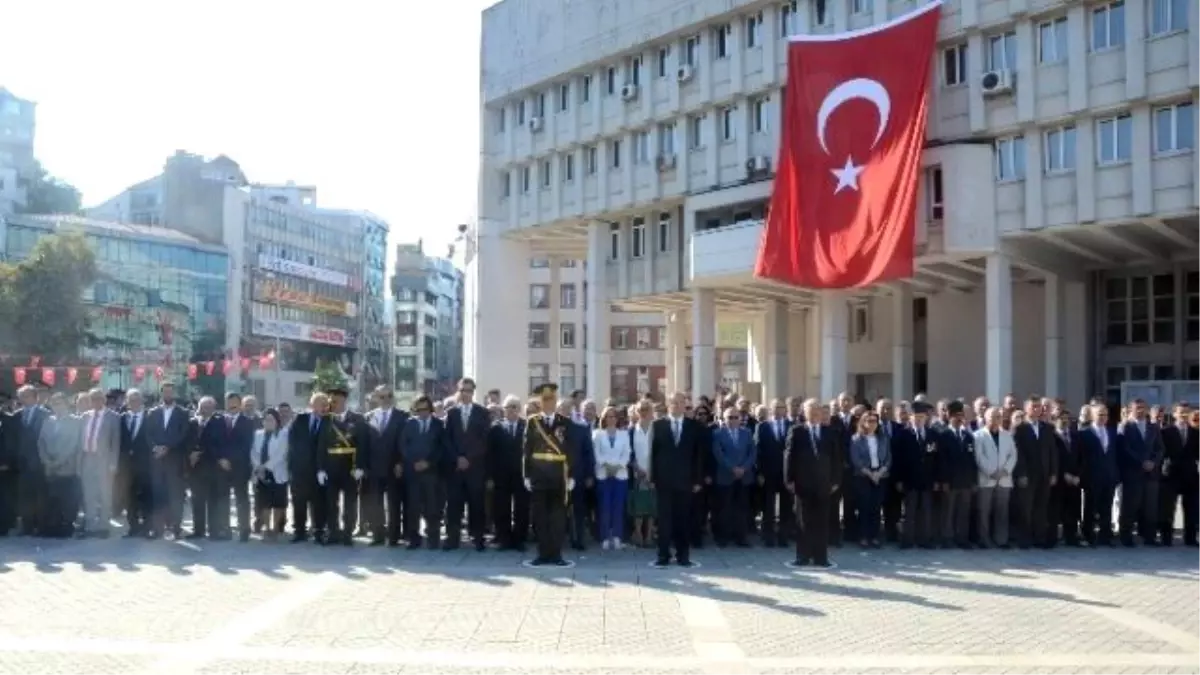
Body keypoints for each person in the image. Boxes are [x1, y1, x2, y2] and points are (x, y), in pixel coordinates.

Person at [650, 391, 704, 568]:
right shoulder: (658, 425)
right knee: (664, 521)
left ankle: (683, 556)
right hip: (663, 481)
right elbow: (653, 454)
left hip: (685, 481)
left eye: (680, 403)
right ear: (668, 405)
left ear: (685, 405)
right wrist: (652, 478)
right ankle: (663, 556)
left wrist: (697, 480)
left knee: (683, 520)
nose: (677, 406)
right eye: (673, 403)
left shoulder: (694, 426)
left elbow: (698, 456)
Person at [785, 398, 840, 568]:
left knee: (822, 521)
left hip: (824, 484)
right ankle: (802, 556)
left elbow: (837, 458)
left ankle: (821, 557)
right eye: (811, 410)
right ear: (805, 412)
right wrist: (789, 479)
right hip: (803, 484)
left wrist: (836, 480)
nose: (815, 413)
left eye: (817, 409)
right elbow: (789, 456)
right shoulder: (797, 431)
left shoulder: (829, 431)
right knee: (803, 521)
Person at [523, 382, 574, 566]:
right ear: (540, 402)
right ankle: (542, 554)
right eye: (545, 400)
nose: (548, 403)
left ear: (556, 400)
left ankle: (556, 554)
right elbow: (527, 450)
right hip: (538, 475)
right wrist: (526, 475)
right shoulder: (532, 422)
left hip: (559, 475)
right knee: (540, 517)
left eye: (551, 399)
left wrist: (571, 476)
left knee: (558, 517)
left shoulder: (565, 422)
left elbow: (571, 450)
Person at [443, 377, 491, 551]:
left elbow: (484, 441)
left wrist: (468, 458)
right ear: (458, 391)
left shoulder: (482, 413)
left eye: (469, 390)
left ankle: (478, 538)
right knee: (454, 504)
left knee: (476, 504)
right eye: (463, 390)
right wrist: (458, 458)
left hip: (475, 467)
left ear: (473, 392)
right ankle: (452, 539)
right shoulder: (451, 413)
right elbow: (447, 439)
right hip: (455, 468)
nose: (466, 394)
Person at [318, 386, 369, 546]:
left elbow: (363, 444)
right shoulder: (326, 420)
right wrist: (320, 468)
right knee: (331, 502)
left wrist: (360, 466)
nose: (334, 404)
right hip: (331, 466)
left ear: (344, 401)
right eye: (331, 401)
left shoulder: (357, 419)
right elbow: (321, 445)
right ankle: (333, 532)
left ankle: (348, 533)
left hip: (350, 465)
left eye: (336, 401)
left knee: (350, 502)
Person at [144, 382, 190, 539]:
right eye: (165, 392)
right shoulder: (153, 412)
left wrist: (167, 447)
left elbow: (183, 434)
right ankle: (157, 528)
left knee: (175, 495)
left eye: (170, 392)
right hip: (157, 460)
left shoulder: (183, 413)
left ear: (174, 393)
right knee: (158, 494)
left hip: (174, 460)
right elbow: (148, 433)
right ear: (161, 393)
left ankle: (175, 527)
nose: (168, 395)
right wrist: (155, 447)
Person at [402, 395, 446, 549]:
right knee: (413, 506)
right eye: (419, 410)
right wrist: (414, 462)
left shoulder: (438, 425)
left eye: (425, 409)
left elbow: (441, 448)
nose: (422, 413)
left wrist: (428, 462)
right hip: (413, 472)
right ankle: (414, 538)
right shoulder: (409, 424)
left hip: (432, 473)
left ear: (430, 409)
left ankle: (433, 538)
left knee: (432, 507)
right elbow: (403, 446)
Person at [487, 395, 529, 552]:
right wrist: (490, 476)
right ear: (503, 410)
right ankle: (504, 539)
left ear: (519, 409)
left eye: (514, 407)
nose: (510, 410)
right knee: (501, 507)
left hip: (521, 475)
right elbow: (490, 454)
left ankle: (519, 539)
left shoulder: (526, 427)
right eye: (507, 407)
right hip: (501, 475)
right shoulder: (495, 428)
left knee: (521, 508)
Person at [37, 393, 82, 538]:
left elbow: (74, 444)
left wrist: (58, 462)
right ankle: (52, 526)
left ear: (66, 404)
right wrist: (46, 461)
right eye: (54, 403)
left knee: (67, 499)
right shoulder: (48, 421)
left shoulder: (75, 421)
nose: (57, 406)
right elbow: (41, 442)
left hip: (67, 467)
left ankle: (66, 527)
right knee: (51, 499)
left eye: (60, 403)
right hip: (49, 467)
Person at [78, 388, 121, 538]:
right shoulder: (84, 416)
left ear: (104, 400)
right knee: (88, 493)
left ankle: (103, 526)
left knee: (105, 494)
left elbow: (115, 442)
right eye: (93, 398)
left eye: (99, 398)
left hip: (104, 460)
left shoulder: (113, 417)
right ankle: (90, 525)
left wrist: (113, 464)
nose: (96, 401)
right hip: (87, 459)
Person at [289, 392, 329, 543]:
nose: (324, 407)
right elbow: (292, 441)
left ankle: (319, 531)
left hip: (319, 470)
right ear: (312, 405)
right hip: (300, 469)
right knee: (299, 502)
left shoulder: (329, 421)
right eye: (321, 404)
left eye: (326, 404)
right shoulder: (300, 419)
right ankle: (299, 531)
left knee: (318, 502)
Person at [712, 406, 755, 548]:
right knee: (724, 507)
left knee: (742, 508)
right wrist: (732, 468)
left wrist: (743, 468)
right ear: (724, 419)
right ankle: (723, 537)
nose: (733, 420)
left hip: (744, 476)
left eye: (736, 417)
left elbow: (752, 453)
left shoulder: (747, 433)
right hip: (726, 475)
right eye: (730, 417)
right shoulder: (718, 433)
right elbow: (719, 454)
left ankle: (741, 537)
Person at [848, 410, 890, 549]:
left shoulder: (883, 438)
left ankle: (875, 536)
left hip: (880, 475)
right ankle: (863, 537)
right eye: (869, 421)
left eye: (874, 421)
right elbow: (856, 460)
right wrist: (870, 474)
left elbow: (889, 458)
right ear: (863, 423)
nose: (872, 424)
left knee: (876, 508)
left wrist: (880, 472)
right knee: (864, 507)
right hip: (863, 477)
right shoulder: (856, 439)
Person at [593, 405, 632, 550]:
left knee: (618, 506)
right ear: (604, 418)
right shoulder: (597, 434)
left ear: (617, 419)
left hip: (620, 475)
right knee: (604, 506)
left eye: (613, 416)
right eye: (608, 416)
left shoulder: (624, 434)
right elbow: (596, 453)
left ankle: (617, 536)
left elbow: (627, 453)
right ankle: (604, 537)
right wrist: (606, 465)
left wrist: (617, 466)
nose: (611, 419)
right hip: (603, 474)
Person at [251, 408, 290, 540]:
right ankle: (266, 528)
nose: (268, 422)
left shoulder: (283, 434)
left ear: (277, 421)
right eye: (266, 420)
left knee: (278, 502)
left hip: (277, 472)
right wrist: (259, 467)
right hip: (260, 473)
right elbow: (253, 452)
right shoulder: (258, 434)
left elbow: (281, 453)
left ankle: (275, 528)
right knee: (264, 502)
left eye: (271, 420)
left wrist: (266, 467)